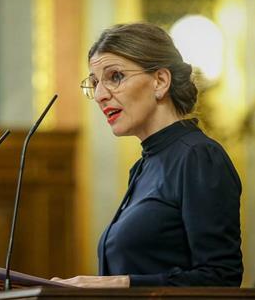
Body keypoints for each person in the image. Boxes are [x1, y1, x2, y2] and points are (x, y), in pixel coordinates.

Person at [52, 23, 243, 287]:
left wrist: (119, 284)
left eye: (115, 76)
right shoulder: (144, 166)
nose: (99, 95)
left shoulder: (198, 157)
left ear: (160, 81)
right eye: (94, 83)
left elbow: (220, 278)